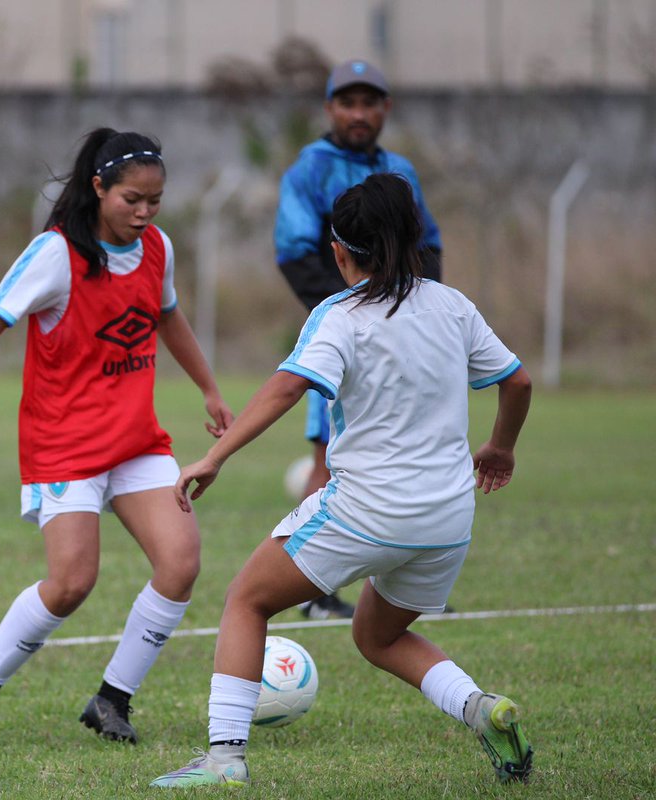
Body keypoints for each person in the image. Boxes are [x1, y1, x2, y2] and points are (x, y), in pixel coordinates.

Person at [150, 173, 533, 788]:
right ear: (415, 241)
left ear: (338, 251)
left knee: (247, 600)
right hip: (447, 519)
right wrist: (501, 448)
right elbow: (516, 382)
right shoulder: (453, 305)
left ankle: (223, 760)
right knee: (376, 636)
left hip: (366, 511)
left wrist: (214, 455)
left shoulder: (340, 315)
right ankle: (482, 708)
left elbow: (289, 385)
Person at [0, 128, 234, 746]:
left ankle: (112, 699)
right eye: (131, 200)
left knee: (180, 562)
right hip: (63, 444)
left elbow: (169, 317)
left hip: (136, 441)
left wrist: (209, 388)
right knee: (71, 582)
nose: (144, 213)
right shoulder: (55, 254)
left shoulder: (157, 250)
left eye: (155, 200)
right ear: (98, 188)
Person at [275, 59, 444, 620]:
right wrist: (358, 314)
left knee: (408, 449)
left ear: (385, 109)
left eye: (369, 103)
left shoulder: (401, 170)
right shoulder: (310, 170)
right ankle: (315, 595)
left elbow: (429, 246)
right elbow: (295, 252)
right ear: (330, 109)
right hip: (346, 337)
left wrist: (416, 312)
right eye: (347, 102)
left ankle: (403, 592)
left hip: (405, 338)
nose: (358, 113)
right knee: (327, 462)